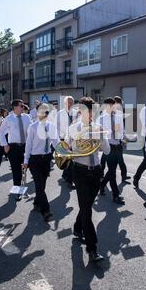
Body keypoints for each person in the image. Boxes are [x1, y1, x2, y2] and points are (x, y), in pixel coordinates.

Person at [66, 97, 110, 261]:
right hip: (80, 171)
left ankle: (78, 227)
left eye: (92, 111)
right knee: (86, 210)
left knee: (87, 206)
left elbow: (106, 151)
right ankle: (92, 249)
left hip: (96, 171)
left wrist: (100, 138)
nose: (90, 115)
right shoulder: (73, 128)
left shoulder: (99, 127)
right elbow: (67, 149)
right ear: (80, 111)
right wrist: (81, 141)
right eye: (87, 111)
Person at [23, 104, 59, 220]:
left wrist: (64, 153)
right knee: (39, 184)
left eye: (46, 112)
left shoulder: (52, 127)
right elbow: (28, 145)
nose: (44, 115)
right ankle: (46, 210)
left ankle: (36, 202)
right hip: (35, 159)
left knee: (42, 185)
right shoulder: (32, 127)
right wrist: (26, 160)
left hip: (46, 158)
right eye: (42, 112)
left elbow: (56, 143)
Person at [0, 99, 32, 200]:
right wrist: (5, 144)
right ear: (15, 107)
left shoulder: (27, 117)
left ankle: (23, 189)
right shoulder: (8, 118)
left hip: (25, 147)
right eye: (21, 106)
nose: (23, 107)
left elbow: (31, 131)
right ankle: (18, 192)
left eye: (23, 106)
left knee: (24, 170)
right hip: (13, 147)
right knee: (16, 170)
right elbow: (1, 133)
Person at [98, 98, 125, 204]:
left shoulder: (118, 116)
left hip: (118, 146)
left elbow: (122, 130)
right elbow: (100, 134)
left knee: (111, 170)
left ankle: (102, 184)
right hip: (109, 146)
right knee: (112, 171)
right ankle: (115, 195)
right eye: (109, 105)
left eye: (113, 105)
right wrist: (111, 131)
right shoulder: (101, 118)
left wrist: (122, 136)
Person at [57, 96, 78, 189]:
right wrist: (58, 142)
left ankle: (66, 176)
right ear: (64, 103)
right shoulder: (60, 113)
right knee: (69, 160)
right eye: (68, 102)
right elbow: (56, 128)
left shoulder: (75, 113)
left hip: (73, 139)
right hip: (63, 140)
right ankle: (70, 180)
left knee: (70, 160)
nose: (70, 104)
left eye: (71, 102)